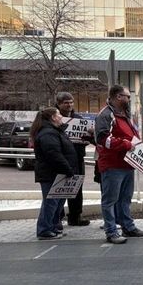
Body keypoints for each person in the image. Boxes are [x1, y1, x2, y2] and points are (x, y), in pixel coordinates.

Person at [95, 84, 143, 244]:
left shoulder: (123, 114)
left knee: (125, 198)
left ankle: (128, 226)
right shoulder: (106, 115)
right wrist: (126, 145)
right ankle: (111, 231)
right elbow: (103, 139)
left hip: (127, 164)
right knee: (110, 200)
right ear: (118, 97)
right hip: (113, 165)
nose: (129, 99)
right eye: (127, 96)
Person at [31, 107, 78, 240]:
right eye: (58, 114)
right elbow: (54, 154)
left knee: (57, 202)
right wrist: (67, 169)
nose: (61, 117)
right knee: (50, 202)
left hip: (57, 173)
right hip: (51, 174)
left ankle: (52, 227)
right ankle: (44, 230)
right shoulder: (48, 133)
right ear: (53, 117)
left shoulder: (54, 131)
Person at [55, 92, 92, 226]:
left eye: (71, 102)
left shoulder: (79, 119)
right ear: (59, 104)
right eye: (66, 102)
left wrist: (88, 138)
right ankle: (57, 218)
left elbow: (88, 138)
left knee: (76, 187)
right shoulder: (54, 119)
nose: (69, 105)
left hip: (77, 158)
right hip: (61, 159)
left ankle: (75, 216)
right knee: (59, 189)